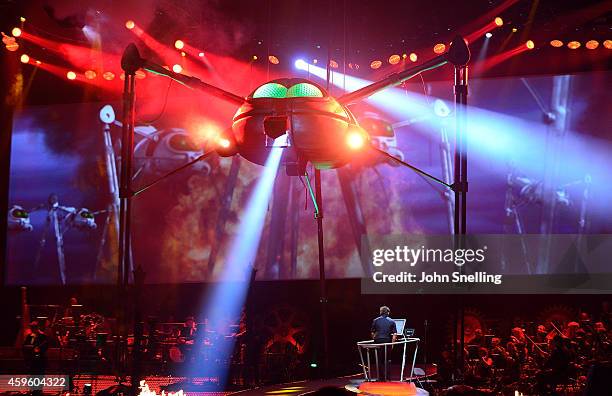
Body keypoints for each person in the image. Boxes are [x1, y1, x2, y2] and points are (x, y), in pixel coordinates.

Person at [370, 306, 397, 381]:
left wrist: (375, 339)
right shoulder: (392, 321)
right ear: (388, 312)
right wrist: (392, 345)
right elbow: (394, 335)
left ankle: (380, 378)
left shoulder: (375, 320)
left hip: (378, 341)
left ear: (380, 312)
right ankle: (387, 378)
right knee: (388, 360)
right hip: (387, 342)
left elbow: (372, 332)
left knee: (379, 360)